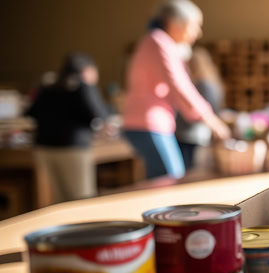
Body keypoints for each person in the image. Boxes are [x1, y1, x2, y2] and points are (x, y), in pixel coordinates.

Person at [123, 0, 230, 179]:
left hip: (145, 123)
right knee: (172, 178)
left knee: (159, 180)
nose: (198, 33)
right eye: (195, 26)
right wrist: (212, 121)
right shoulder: (160, 42)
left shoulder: (153, 41)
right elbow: (181, 87)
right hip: (148, 123)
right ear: (175, 23)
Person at [26, 53, 110, 203]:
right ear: (87, 70)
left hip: (44, 148)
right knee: (82, 199)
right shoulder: (83, 87)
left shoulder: (47, 87)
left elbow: (30, 112)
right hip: (72, 148)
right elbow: (100, 113)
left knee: (59, 199)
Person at [175, 46, 225, 170]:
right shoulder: (212, 84)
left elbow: (198, 110)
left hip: (189, 135)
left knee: (187, 171)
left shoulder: (202, 85)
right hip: (197, 135)